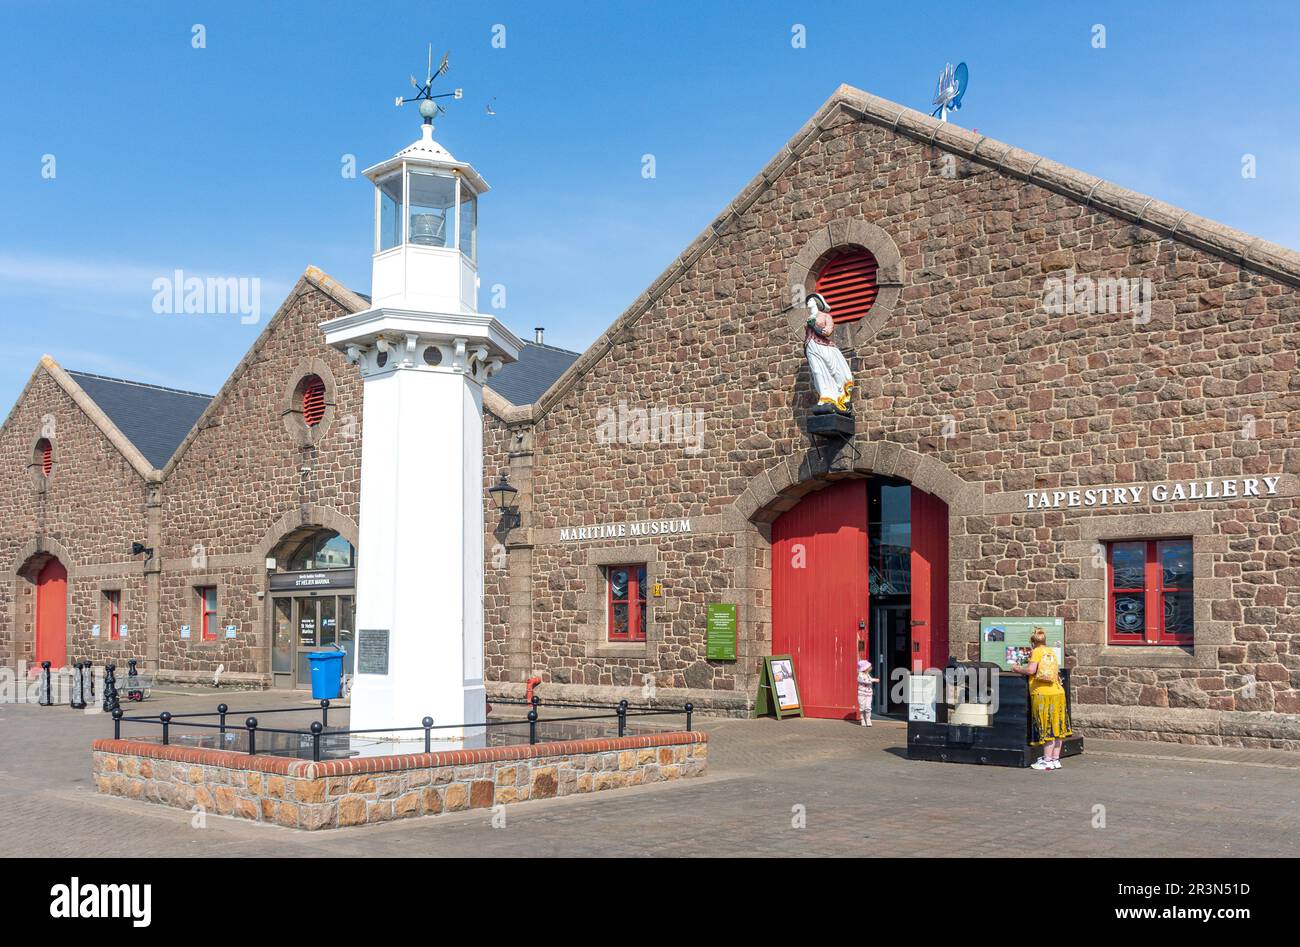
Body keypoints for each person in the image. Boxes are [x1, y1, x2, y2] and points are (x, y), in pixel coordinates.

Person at [1010, 628, 1072, 770]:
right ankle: (1056, 759)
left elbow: (1031, 670)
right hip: (1058, 692)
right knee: (1057, 726)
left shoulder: (1037, 651)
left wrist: (1017, 669)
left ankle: (1046, 761)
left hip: (1043, 693)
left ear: (1033, 642)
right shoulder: (1051, 652)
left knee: (1047, 726)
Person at [803, 293, 854, 412]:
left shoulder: (826, 316)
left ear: (816, 302)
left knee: (832, 370)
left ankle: (839, 394)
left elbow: (827, 332)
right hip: (811, 347)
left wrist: (815, 327)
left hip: (823, 346)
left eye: (810, 300)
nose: (808, 303)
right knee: (817, 371)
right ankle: (825, 396)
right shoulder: (808, 319)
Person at [856, 659, 878, 727]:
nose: (870, 668)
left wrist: (874, 679)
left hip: (868, 693)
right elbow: (866, 681)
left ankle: (868, 719)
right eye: (869, 667)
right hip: (862, 693)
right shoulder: (860, 675)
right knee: (862, 707)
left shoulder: (867, 674)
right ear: (865, 668)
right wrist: (874, 680)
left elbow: (869, 679)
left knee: (868, 707)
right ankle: (862, 719)